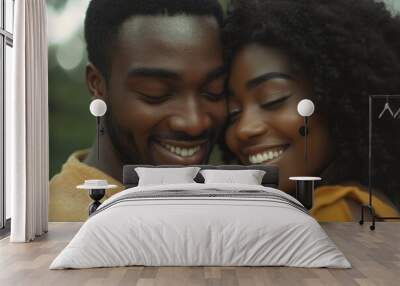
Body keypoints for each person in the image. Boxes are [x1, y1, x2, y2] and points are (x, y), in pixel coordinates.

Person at [221, 0, 400, 221]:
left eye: (272, 99)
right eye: (233, 113)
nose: (244, 129)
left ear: (336, 99)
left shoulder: (334, 212)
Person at [50, 0, 227, 221]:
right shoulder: (59, 218)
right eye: (156, 93)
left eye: (213, 91)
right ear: (97, 84)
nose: (194, 122)